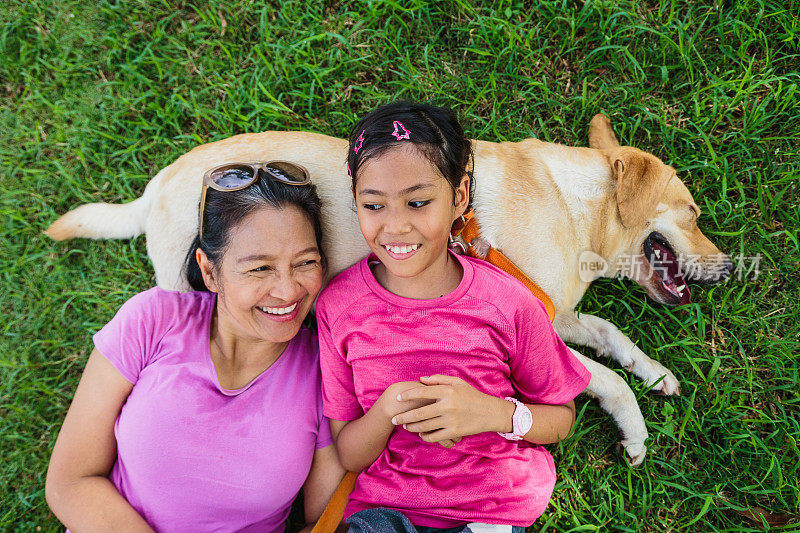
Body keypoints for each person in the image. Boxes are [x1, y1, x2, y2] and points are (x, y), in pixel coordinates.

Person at [317, 102, 592, 533]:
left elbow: (562, 419)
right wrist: (388, 408)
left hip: (490, 508)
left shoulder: (507, 301)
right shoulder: (338, 307)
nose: (395, 228)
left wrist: (492, 414)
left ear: (459, 196)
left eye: (418, 202)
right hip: (383, 513)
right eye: (373, 206)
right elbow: (349, 454)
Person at [46, 161, 344, 532]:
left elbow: (322, 523)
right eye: (259, 268)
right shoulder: (152, 319)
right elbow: (70, 481)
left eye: (305, 262)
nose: (288, 290)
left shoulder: (329, 369)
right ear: (209, 271)